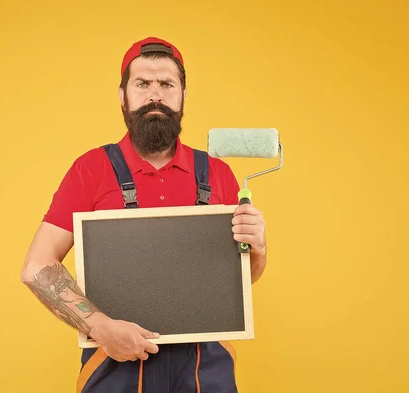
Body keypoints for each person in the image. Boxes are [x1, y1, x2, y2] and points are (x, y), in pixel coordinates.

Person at [20, 37, 268, 393]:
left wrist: (257, 247)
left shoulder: (219, 174)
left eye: (167, 84)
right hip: (113, 360)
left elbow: (242, 279)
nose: (156, 95)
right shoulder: (91, 169)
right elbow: (36, 267)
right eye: (142, 84)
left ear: (183, 94)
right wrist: (101, 328)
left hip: (204, 365)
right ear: (123, 96)